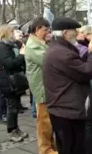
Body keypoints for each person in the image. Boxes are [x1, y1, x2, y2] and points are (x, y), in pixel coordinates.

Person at [42, 17, 92, 154]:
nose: (77, 33)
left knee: (69, 146)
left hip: (64, 108)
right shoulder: (61, 53)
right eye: (74, 30)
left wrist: (89, 52)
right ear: (65, 33)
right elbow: (87, 72)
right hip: (67, 110)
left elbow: (76, 67)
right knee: (73, 148)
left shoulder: (59, 48)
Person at [25, 18, 56, 154]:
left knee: (48, 121)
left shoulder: (39, 42)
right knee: (44, 122)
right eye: (45, 30)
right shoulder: (32, 46)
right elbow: (50, 61)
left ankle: (50, 146)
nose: (48, 32)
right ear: (37, 30)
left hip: (45, 87)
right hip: (41, 88)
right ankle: (45, 149)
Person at [0, 24, 28, 142]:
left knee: (15, 107)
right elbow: (10, 63)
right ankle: (12, 131)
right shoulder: (1, 47)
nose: (15, 34)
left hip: (15, 80)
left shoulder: (12, 45)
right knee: (12, 107)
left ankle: (16, 129)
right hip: (8, 81)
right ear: (7, 33)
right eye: (13, 32)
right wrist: (22, 54)